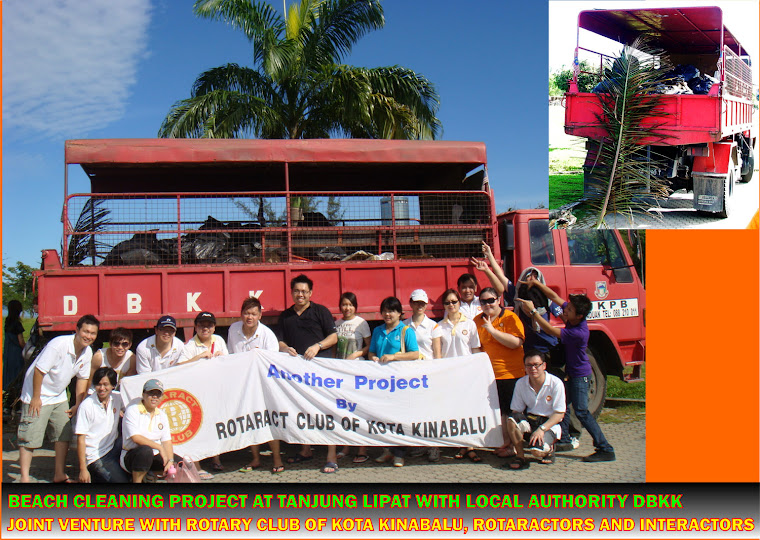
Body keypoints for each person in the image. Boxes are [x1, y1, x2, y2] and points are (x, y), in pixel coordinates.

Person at [516, 278, 616, 462]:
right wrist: (536, 283)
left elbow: (551, 330)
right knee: (563, 405)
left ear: (578, 316)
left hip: (580, 376)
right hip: (572, 372)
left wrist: (532, 312)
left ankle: (605, 448)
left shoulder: (578, 332)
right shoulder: (574, 316)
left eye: (569, 310)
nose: (565, 310)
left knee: (581, 411)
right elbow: (553, 296)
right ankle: (566, 439)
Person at [17, 314, 99, 483]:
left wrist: (78, 404)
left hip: (58, 394)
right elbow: (39, 371)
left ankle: (59, 475)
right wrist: (36, 398)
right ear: (77, 330)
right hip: (36, 392)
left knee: (63, 434)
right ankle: (24, 478)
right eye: (85, 331)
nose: (88, 336)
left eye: (93, 333)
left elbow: (82, 379)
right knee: (30, 436)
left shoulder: (87, 351)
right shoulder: (59, 344)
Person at [276, 274, 339, 473]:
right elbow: (279, 341)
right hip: (297, 373)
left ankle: (331, 456)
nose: (300, 294)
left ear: (310, 293)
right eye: (297, 291)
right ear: (291, 292)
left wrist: (318, 346)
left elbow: (334, 337)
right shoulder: (285, 316)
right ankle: (305, 450)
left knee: (327, 411)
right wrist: (286, 349)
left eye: (304, 291)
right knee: (301, 410)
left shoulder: (321, 311)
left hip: (321, 372)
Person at [227, 296, 284, 474]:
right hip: (243, 384)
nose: (249, 317)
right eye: (246, 313)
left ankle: (277, 458)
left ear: (260, 315)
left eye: (253, 313)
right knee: (249, 421)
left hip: (264, 385)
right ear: (241, 314)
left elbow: (273, 362)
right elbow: (230, 356)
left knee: (268, 421)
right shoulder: (233, 329)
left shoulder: (267, 334)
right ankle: (256, 458)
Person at [473, 288, 525, 459]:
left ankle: (516, 448)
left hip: (511, 374)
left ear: (498, 300)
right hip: (491, 376)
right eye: (483, 301)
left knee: (512, 414)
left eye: (491, 300)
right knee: (501, 412)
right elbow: (477, 349)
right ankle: (506, 444)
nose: (487, 304)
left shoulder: (510, 318)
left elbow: (516, 343)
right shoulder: (476, 321)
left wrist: (492, 331)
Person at [369, 296, 420, 467]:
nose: (387, 314)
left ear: (399, 313)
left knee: (399, 418)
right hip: (381, 382)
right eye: (385, 310)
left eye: (391, 310)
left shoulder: (406, 331)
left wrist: (393, 357)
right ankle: (386, 451)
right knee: (383, 417)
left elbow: (414, 354)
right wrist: (374, 357)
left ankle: (399, 454)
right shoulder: (377, 330)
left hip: (399, 382)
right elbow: (371, 353)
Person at [177, 311, 228, 477]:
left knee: (215, 423)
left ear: (214, 328)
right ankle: (197, 466)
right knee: (198, 427)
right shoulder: (190, 345)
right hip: (196, 392)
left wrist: (223, 358)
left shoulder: (219, 341)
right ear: (196, 327)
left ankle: (216, 459)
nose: (205, 328)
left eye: (209, 325)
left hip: (215, 389)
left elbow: (229, 364)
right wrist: (198, 358)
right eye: (201, 325)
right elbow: (179, 367)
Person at [438, 288, 482, 463]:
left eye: (454, 302)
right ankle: (458, 444)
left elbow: (476, 349)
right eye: (447, 302)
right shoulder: (439, 326)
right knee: (454, 410)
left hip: (467, 374)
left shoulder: (470, 324)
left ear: (459, 303)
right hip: (449, 376)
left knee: (468, 410)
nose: (451, 305)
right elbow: (438, 353)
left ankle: (470, 446)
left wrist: (477, 371)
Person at [505, 350, 566, 470]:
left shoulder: (556, 383)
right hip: (531, 419)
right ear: (525, 367)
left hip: (548, 424)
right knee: (511, 420)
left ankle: (549, 449)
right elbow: (516, 411)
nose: (533, 368)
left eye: (536, 365)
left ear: (544, 365)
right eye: (529, 365)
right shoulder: (521, 383)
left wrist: (541, 429)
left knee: (536, 453)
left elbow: (559, 414)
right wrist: (516, 433)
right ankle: (520, 456)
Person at [334, 292, 371, 463]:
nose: (347, 308)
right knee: (343, 410)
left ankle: (362, 448)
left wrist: (356, 354)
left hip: (357, 372)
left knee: (359, 410)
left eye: (350, 304)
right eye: (344, 304)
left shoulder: (361, 323)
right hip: (341, 373)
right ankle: (346, 446)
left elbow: (369, 347)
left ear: (355, 306)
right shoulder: (336, 324)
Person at [75, 367, 129, 483]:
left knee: (137, 445)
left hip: (114, 447)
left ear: (113, 386)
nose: (102, 388)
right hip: (96, 456)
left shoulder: (117, 397)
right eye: (99, 384)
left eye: (106, 384)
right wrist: (82, 469)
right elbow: (80, 439)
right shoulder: (86, 406)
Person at [120, 379, 180, 483]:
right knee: (145, 452)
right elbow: (136, 438)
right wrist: (159, 448)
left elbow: (167, 441)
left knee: (181, 464)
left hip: (154, 454)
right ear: (143, 394)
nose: (155, 397)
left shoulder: (162, 415)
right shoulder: (132, 410)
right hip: (132, 454)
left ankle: (151, 476)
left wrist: (170, 460)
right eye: (151, 393)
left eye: (158, 394)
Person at [403, 289, 442, 361]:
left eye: (422, 303)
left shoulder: (433, 326)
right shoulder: (403, 325)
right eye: (416, 302)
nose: (420, 305)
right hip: (410, 367)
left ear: (426, 305)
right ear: (410, 303)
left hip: (428, 367)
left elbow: (437, 355)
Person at [3, 299, 25, 388]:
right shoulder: (17, 324)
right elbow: (21, 342)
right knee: (17, 376)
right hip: (16, 354)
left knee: (8, 375)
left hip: (8, 353)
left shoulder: (7, 322)